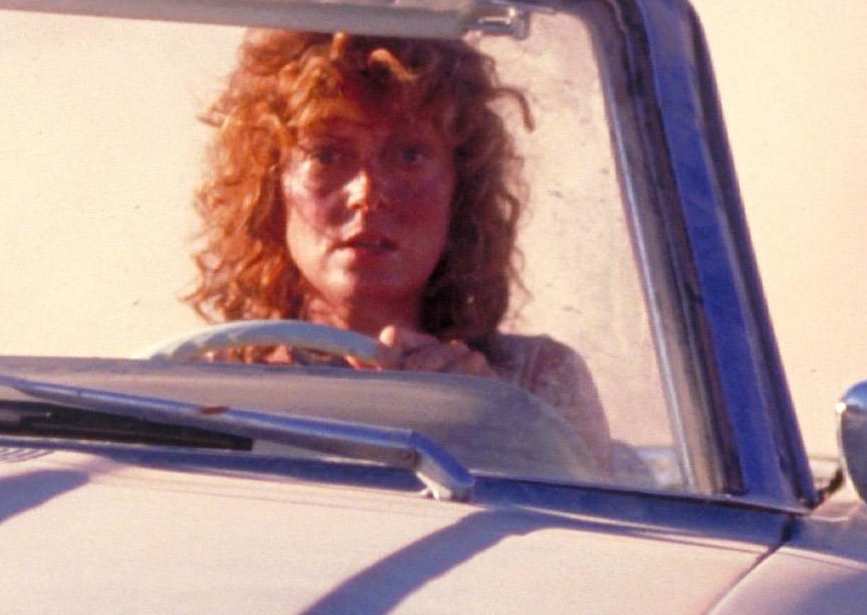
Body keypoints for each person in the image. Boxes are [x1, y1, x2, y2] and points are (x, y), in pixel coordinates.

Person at [188, 28, 614, 460]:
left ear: (461, 189)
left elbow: (599, 521)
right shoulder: (198, 386)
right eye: (325, 156)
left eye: (409, 155)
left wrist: (494, 421)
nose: (367, 193)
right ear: (269, 188)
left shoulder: (536, 383)